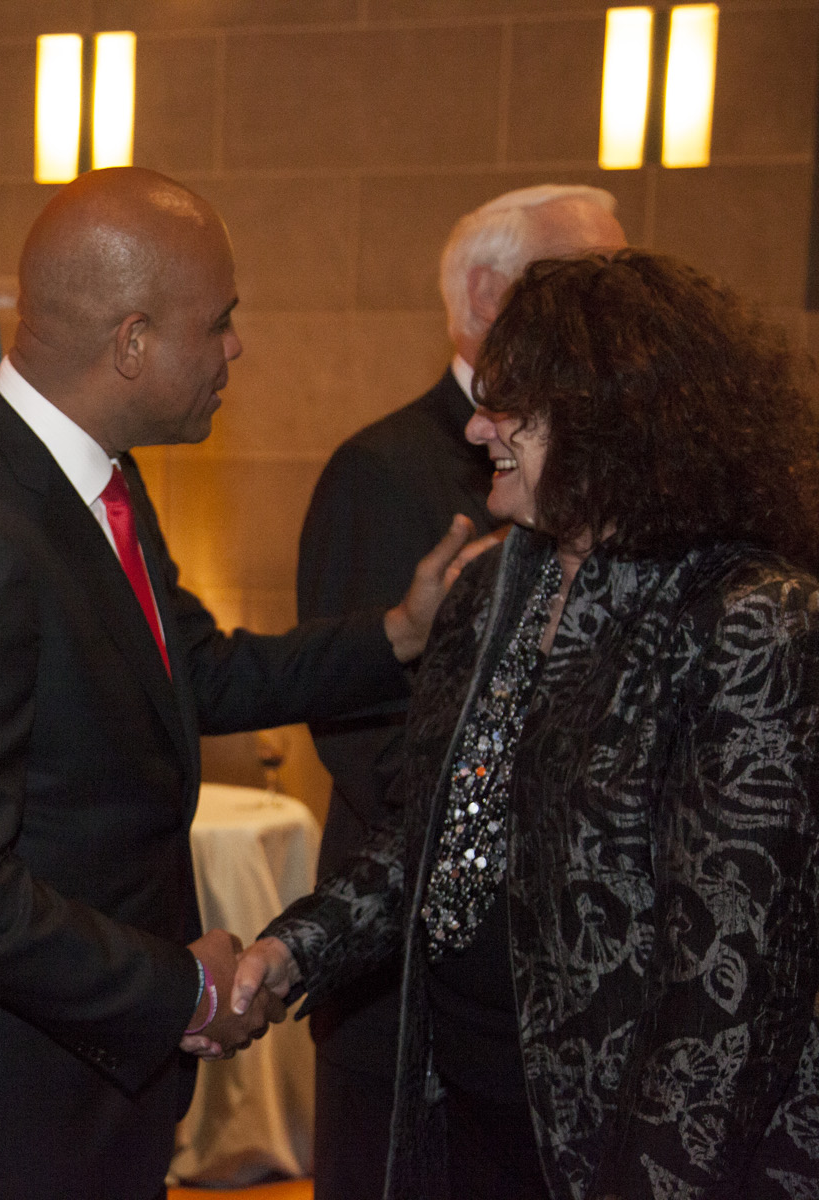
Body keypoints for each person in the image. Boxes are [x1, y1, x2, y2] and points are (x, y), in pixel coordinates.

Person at [0, 166, 491, 1200]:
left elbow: (195, 674)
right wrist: (181, 988)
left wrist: (397, 634)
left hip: (76, 1092)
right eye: (218, 323)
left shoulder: (97, 477)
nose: (236, 349)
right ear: (131, 342)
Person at [235, 249, 819, 1198]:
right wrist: (293, 948)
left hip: (635, 1148)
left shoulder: (748, 618)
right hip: (466, 1107)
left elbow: (731, 990)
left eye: (510, 407)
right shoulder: (498, 591)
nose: (476, 427)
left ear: (610, 421)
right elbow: (442, 840)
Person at [294, 183, 624, 1200]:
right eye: (584, 277)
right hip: (401, 994)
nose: (610, 305)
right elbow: (370, 741)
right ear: (487, 294)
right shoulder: (383, 469)